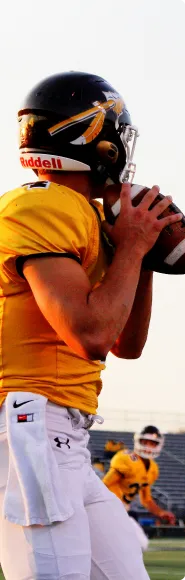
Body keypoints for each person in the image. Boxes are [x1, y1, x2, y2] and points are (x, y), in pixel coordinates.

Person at [0, 71, 182, 580]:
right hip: (30, 420)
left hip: (66, 433)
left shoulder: (84, 216)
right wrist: (134, 246)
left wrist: (138, 255)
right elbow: (91, 335)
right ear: (97, 141)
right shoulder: (44, 204)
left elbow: (127, 343)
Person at [103, 425, 176, 551]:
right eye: (145, 442)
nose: (148, 446)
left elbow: (146, 500)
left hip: (122, 510)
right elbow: (104, 484)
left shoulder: (152, 468)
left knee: (141, 544)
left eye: (152, 443)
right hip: (108, 507)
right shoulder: (126, 458)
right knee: (133, 544)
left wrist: (160, 512)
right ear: (138, 441)